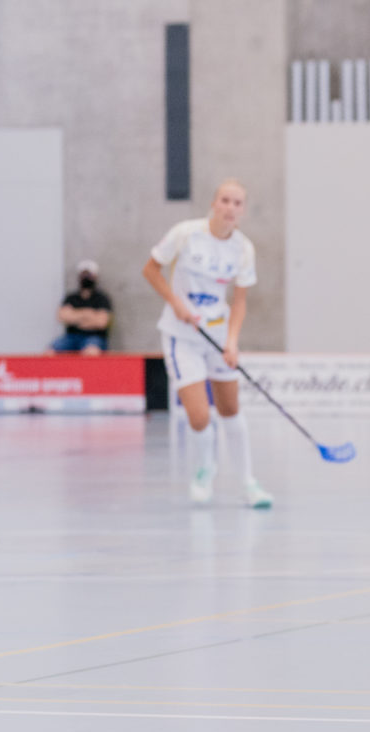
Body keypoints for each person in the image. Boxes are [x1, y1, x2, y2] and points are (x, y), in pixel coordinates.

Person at [142, 178, 273, 509]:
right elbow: (151, 270)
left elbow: (239, 302)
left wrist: (232, 342)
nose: (230, 207)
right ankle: (205, 469)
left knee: (230, 409)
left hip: (217, 335)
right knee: (200, 417)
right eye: (225, 200)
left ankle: (248, 483)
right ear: (214, 204)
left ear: (243, 211)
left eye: (237, 203)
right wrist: (176, 303)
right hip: (181, 335)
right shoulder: (185, 234)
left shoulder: (243, 248)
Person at [49, 260, 112, 354]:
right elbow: (62, 316)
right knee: (50, 352)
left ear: (95, 276)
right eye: (83, 274)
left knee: (91, 352)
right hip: (71, 337)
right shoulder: (71, 297)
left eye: (89, 274)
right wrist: (89, 314)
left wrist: (75, 316)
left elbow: (101, 322)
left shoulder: (102, 298)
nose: (86, 277)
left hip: (94, 337)